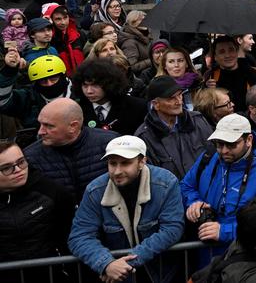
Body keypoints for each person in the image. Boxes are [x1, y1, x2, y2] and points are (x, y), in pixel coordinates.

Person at [68, 136, 184, 283]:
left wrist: (127, 263)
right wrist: (106, 263)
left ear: (142, 162)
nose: (117, 171)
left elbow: (172, 228)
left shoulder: (165, 183)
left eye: (125, 163)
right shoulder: (95, 190)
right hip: (118, 277)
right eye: (112, 163)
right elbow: (80, 236)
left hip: (163, 274)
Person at [180, 114, 256, 260]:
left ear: (248, 140)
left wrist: (225, 232)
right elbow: (186, 186)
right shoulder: (209, 158)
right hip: (206, 257)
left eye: (231, 145)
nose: (223, 151)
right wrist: (194, 203)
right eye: (219, 144)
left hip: (246, 260)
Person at [0, 140, 75, 272]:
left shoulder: (51, 192)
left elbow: (71, 238)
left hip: (49, 273)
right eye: (7, 168)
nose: (18, 170)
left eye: (21, 162)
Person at [23, 98, 118, 202]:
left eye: (49, 126)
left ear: (73, 126)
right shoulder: (30, 157)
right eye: (40, 124)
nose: (40, 132)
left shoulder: (110, 144)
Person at [136, 76, 215, 180]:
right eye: (171, 98)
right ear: (156, 104)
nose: (179, 102)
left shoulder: (197, 120)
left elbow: (215, 156)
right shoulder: (145, 137)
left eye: (180, 95)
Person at [72, 57, 147, 136]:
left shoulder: (137, 107)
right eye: (85, 85)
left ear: (110, 84)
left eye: (95, 85)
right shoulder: (77, 110)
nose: (89, 91)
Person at [204, 36, 256, 112]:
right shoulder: (210, 76)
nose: (227, 55)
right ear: (215, 56)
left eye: (231, 50)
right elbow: (207, 108)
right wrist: (208, 92)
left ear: (237, 51)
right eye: (222, 52)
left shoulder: (252, 73)